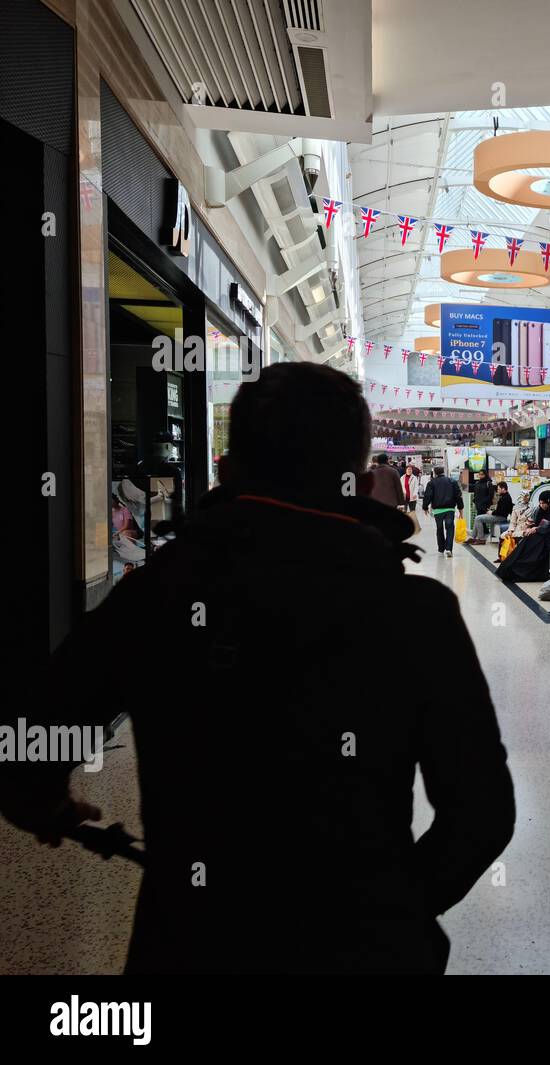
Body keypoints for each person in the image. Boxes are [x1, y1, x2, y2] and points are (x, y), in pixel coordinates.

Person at [0, 362, 514, 974]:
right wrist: (391, 908)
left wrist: (46, 806)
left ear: (226, 468)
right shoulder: (416, 611)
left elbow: (30, 744)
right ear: (357, 478)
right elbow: (482, 813)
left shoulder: (157, 594)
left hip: (192, 944)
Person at [497, 490, 550, 583]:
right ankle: (510, 568)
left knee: (531, 542)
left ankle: (513, 569)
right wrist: (536, 529)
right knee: (529, 541)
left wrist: (536, 529)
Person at [422, 466, 463, 558]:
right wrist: (461, 508)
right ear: (443, 471)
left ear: (435, 473)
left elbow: (428, 496)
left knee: (439, 528)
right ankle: (449, 548)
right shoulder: (452, 481)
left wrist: (425, 507)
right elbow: (458, 496)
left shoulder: (431, 483)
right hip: (450, 509)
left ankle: (441, 548)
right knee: (450, 528)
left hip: (438, 510)